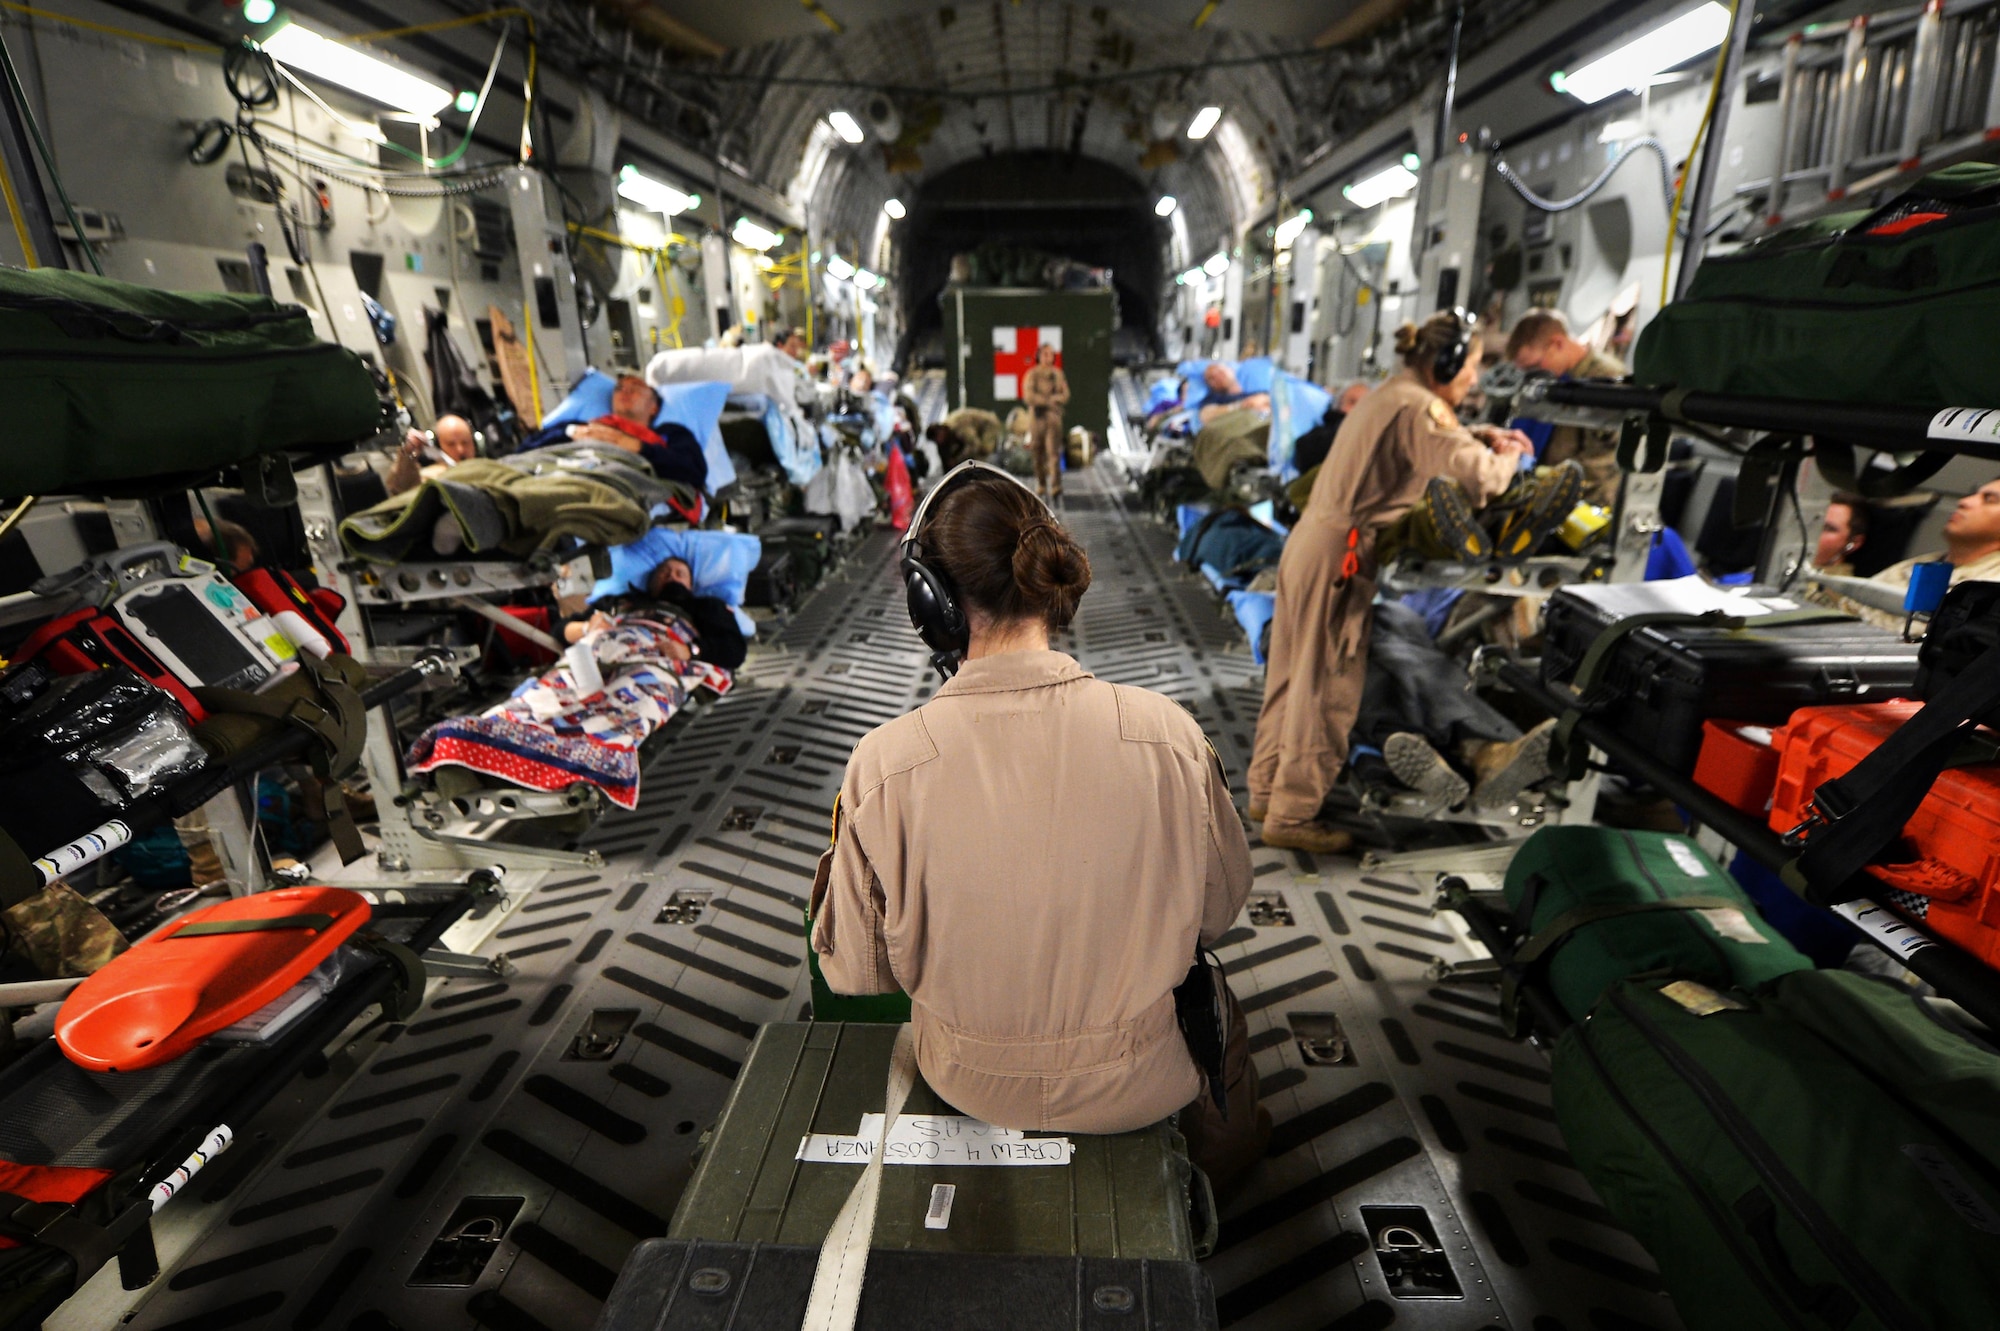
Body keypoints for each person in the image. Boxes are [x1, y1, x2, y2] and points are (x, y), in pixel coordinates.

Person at [812, 463, 1270, 1192]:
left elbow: (860, 972)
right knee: (1225, 1016)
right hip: (1141, 1083)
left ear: (931, 603)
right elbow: (1215, 913)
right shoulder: (1168, 734)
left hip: (970, 1080)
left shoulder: (883, 762)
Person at [1248, 310, 1530, 854]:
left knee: (1290, 676)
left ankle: (1267, 793)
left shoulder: (1392, 394)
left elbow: (1427, 440)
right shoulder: (1420, 406)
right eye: (1472, 366)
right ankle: (1293, 814)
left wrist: (1476, 431)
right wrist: (1511, 459)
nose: (1474, 379)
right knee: (1327, 688)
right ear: (1446, 363)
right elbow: (1476, 473)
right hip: (1342, 559)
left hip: (1310, 545)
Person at [1506, 310, 1626, 506]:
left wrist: (1541, 481)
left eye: (1535, 366)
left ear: (1558, 344)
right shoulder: (1560, 378)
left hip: (1591, 501)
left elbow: (1601, 463)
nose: (1533, 376)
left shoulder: (1605, 380)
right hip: (1558, 491)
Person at [524, 373, 707, 492]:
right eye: (619, 388)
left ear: (653, 407)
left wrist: (635, 446)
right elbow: (525, 449)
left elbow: (694, 471)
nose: (625, 391)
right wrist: (572, 433)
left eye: (635, 388)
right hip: (547, 469)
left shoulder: (670, 434)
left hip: (603, 483)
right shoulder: (580, 425)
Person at [563, 555, 746, 670]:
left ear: (691, 585)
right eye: (664, 572)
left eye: (680, 573)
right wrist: (587, 628)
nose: (671, 576)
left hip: (652, 666)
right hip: (594, 658)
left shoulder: (707, 606)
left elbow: (734, 650)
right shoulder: (620, 602)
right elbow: (560, 629)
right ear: (651, 581)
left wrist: (691, 651)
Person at [1021, 343, 1071, 500]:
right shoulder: (1032, 374)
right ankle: (1041, 483)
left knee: (1053, 453)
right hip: (1037, 418)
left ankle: (1056, 485)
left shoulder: (1058, 374)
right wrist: (1048, 401)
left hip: (1053, 419)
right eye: (1045, 354)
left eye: (1050, 354)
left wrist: (1055, 399)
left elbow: (1065, 395)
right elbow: (1029, 396)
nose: (1048, 357)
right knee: (1037, 452)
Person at [386, 413, 477, 496]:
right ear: (439, 445)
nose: (460, 450)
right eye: (451, 444)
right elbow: (399, 487)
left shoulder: (487, 468)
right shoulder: (430, 477)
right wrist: (407, 455)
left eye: (465, 442)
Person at [1197, 362, 1271, 425]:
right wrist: (1241, 405)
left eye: (1219, 370)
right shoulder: (1214, 398)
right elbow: (1205, 416)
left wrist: (1260, 401)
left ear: (1232, 370)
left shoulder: (1257, 393)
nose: (1216, 375)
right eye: (1211, 378)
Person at [1813, 493, 1869, 574]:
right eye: (1812, 524)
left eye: (1828, 529)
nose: (1813, 532)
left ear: (1854, 542)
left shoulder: (1841, 585)